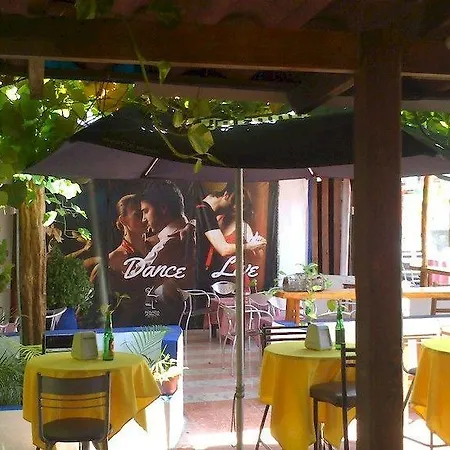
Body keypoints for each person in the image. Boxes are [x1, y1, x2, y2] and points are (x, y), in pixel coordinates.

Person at [195, 182, 266, 290]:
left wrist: (257, 245)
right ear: (226, 195)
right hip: (214, 277)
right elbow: (223, 249)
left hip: (234, 278)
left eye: (242, 204)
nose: (236, 207)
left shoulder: (243, 226)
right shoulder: (214, 218)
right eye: (235, 201)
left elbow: (258, 256)